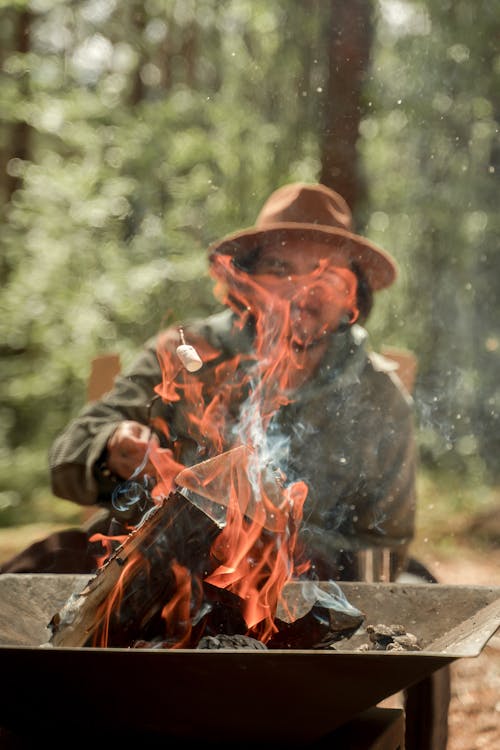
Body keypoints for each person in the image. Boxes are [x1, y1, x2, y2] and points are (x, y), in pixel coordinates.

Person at [0, 182, 416, 580]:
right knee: (36, 573)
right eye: (279, 267)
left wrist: (265, 540)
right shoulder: (187, 354)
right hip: (154, 569)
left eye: (324, 275)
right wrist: (110, 446)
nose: (300, 290)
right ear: (245, 283)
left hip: (296, 593)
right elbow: (67, 459)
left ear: (352, 296)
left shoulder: (378, 395)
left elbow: (384, 548)